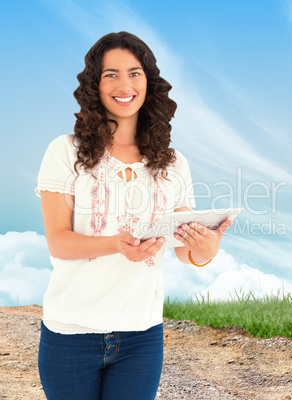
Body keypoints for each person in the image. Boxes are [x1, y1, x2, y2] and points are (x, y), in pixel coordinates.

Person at [35, 31, 232, 400]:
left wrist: (205, 250)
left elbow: (182, 248)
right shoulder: (64, 152)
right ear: (95, 84)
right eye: (111, 74)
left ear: (149, 82)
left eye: (135, 73)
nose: (124, 84)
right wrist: (114, 245)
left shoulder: (174, 164)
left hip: (141, 336)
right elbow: (58, 241)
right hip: (70, 335)